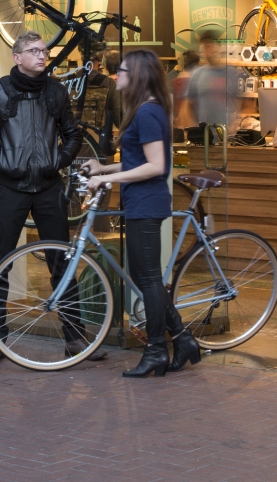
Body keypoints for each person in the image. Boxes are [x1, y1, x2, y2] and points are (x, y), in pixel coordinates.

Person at [0, 30, 88, 366]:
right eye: (34, 51)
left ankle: (75, 339)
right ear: (17, 58)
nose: (43, 56)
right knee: (0, 261)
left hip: (48, 187)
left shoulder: (56, 92)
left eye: (45, 51)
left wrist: (60, 160)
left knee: (60, 260)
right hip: (9, 189)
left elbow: (73, 134)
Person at [83, 48, 204, 378]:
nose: (116, 76)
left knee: (148, 279)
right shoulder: (145, 111)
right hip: (141, 202)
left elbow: (156, 166)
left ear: (136, 75)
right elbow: (138, 161)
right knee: (145, 277)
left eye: (121, 71)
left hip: (147, 204)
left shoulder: (147, 113)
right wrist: (104, 167)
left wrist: (107, 178)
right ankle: (182, 340)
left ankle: (155, 350)